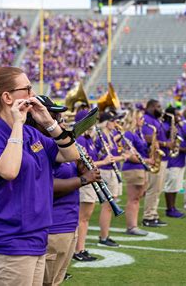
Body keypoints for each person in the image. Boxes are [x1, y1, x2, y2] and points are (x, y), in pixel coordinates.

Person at [0, 67, 79, 285]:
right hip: (8, 241)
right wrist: (18, 124)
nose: (33, 94)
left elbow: (71, 154)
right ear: (7, 97)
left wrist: (49, 122)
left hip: (35, 237)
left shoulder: (32, 133)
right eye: (28, 89)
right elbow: (9, 171)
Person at [26, 95, 100, 286]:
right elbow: (45, 186)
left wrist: (81, 168)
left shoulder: (56, 144)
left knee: (55, 281)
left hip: (68, 223)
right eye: (53, 116)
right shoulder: (37, 144)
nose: (58, 121)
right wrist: (83, 179)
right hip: (52, 226)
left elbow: (68, 168)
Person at [73, 110, 111, 262]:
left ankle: (81, 248)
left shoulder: (88, 138)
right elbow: (85, 164)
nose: (94, 123)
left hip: (90, 179)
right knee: (83, 218)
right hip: (86, 181)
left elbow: (91, 159)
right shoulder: (81, 139)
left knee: (85, 218)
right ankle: (78, 249)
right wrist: (105, 161)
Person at [95, 111, 128, 247]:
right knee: (108, 206)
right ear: (106, 122)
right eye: (113, 121)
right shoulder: (100, 136)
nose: (116, 124)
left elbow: (113, 155)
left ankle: (105, 235)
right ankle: (103, 237)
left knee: (109, 205)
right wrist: (121, 157)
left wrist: (122, 156)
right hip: (105, 171)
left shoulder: (110, 136)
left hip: (111, 171)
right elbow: (99, 156)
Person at [121, 109, 152, 236]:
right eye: (140, 118)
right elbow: (128, 155)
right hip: (133, 168)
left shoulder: (139, 133)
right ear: (134, 120)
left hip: (141, 167)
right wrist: (146, 160)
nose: (143, 120)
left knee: (138, 198)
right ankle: (131, 226)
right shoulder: (129, 134)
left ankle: (133, 225)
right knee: (133, 199)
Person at [142, 99, 169, 227]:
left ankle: (154, 214)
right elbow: (147, 137)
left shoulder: (156, 119)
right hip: (153, 157)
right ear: (151, 107)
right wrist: (163, 144)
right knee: (153, 189)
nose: (160, 108)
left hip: (161, 157)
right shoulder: (146, 119)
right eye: (158, 106)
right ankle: (148, 216)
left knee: (158, 189)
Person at [164, 109, 186, 218]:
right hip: (171, 161)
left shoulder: (179, 126)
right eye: (176, 114)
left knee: (176, 187)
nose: (179, 116)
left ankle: (173, 207)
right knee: (170, 186)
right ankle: (169, 209)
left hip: (179, 160)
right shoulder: (167, 127)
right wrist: (182, 149)